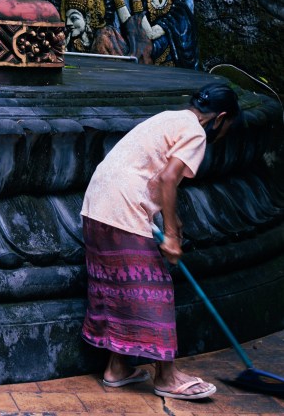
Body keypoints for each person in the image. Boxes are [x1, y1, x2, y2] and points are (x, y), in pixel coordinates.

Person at [80, 83, 242, 400]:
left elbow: (149, 171)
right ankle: (167, 377)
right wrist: (170, 234)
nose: (224, 134)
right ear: (220, 118)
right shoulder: (195, 132)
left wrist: (172, 220)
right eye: (228, 127)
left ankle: (117, 368)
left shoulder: (171, 117)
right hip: (123, 210)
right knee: (154, 290)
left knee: (119, 287)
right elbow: (168, 178)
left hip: (96, 205)